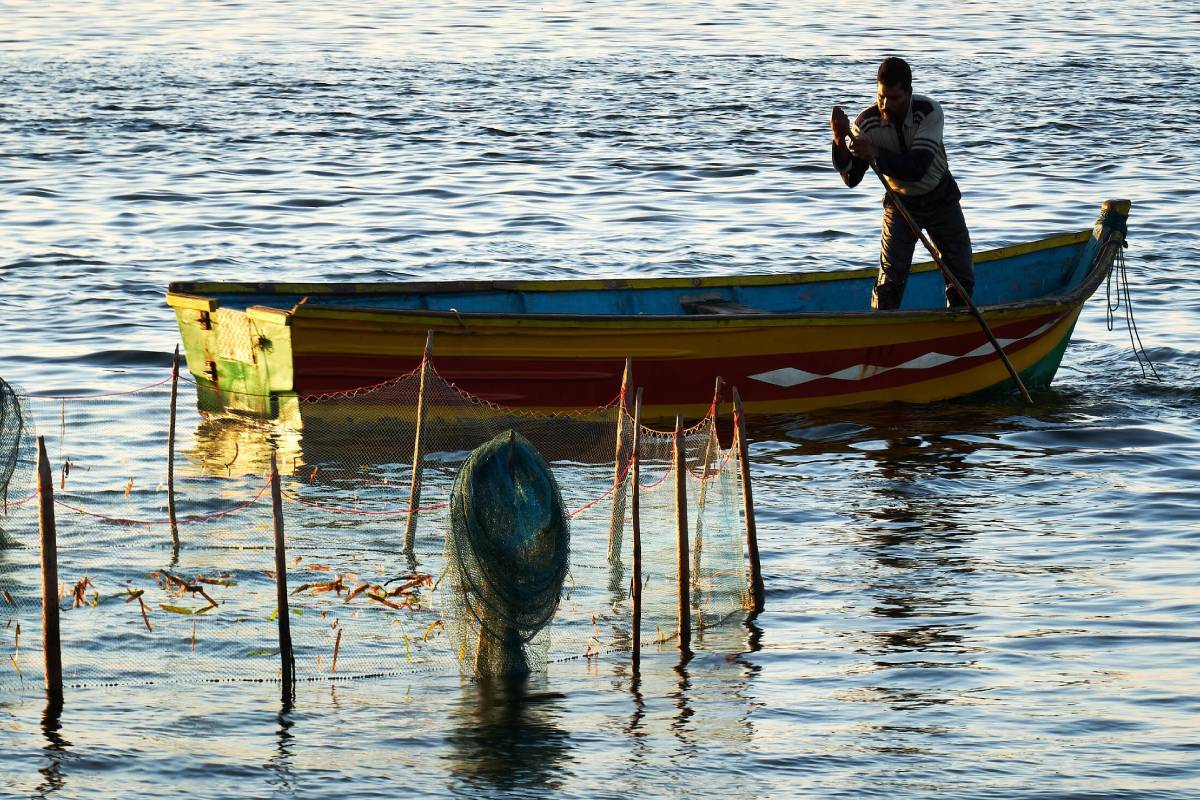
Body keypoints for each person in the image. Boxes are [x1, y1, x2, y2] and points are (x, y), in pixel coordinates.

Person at [830, 57, 974, 310]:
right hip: (899, 203)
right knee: (888, 283)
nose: (885, 105)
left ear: (908, 93)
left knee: (960, 277)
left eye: (893, 98)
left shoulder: (929, 113)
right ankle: (882, 334)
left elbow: (917, 168)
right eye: (880, 96)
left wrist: (875, 153)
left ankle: (957, 327)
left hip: (940, 198)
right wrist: (839, 139)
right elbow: (851, 178)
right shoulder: (866, 124)